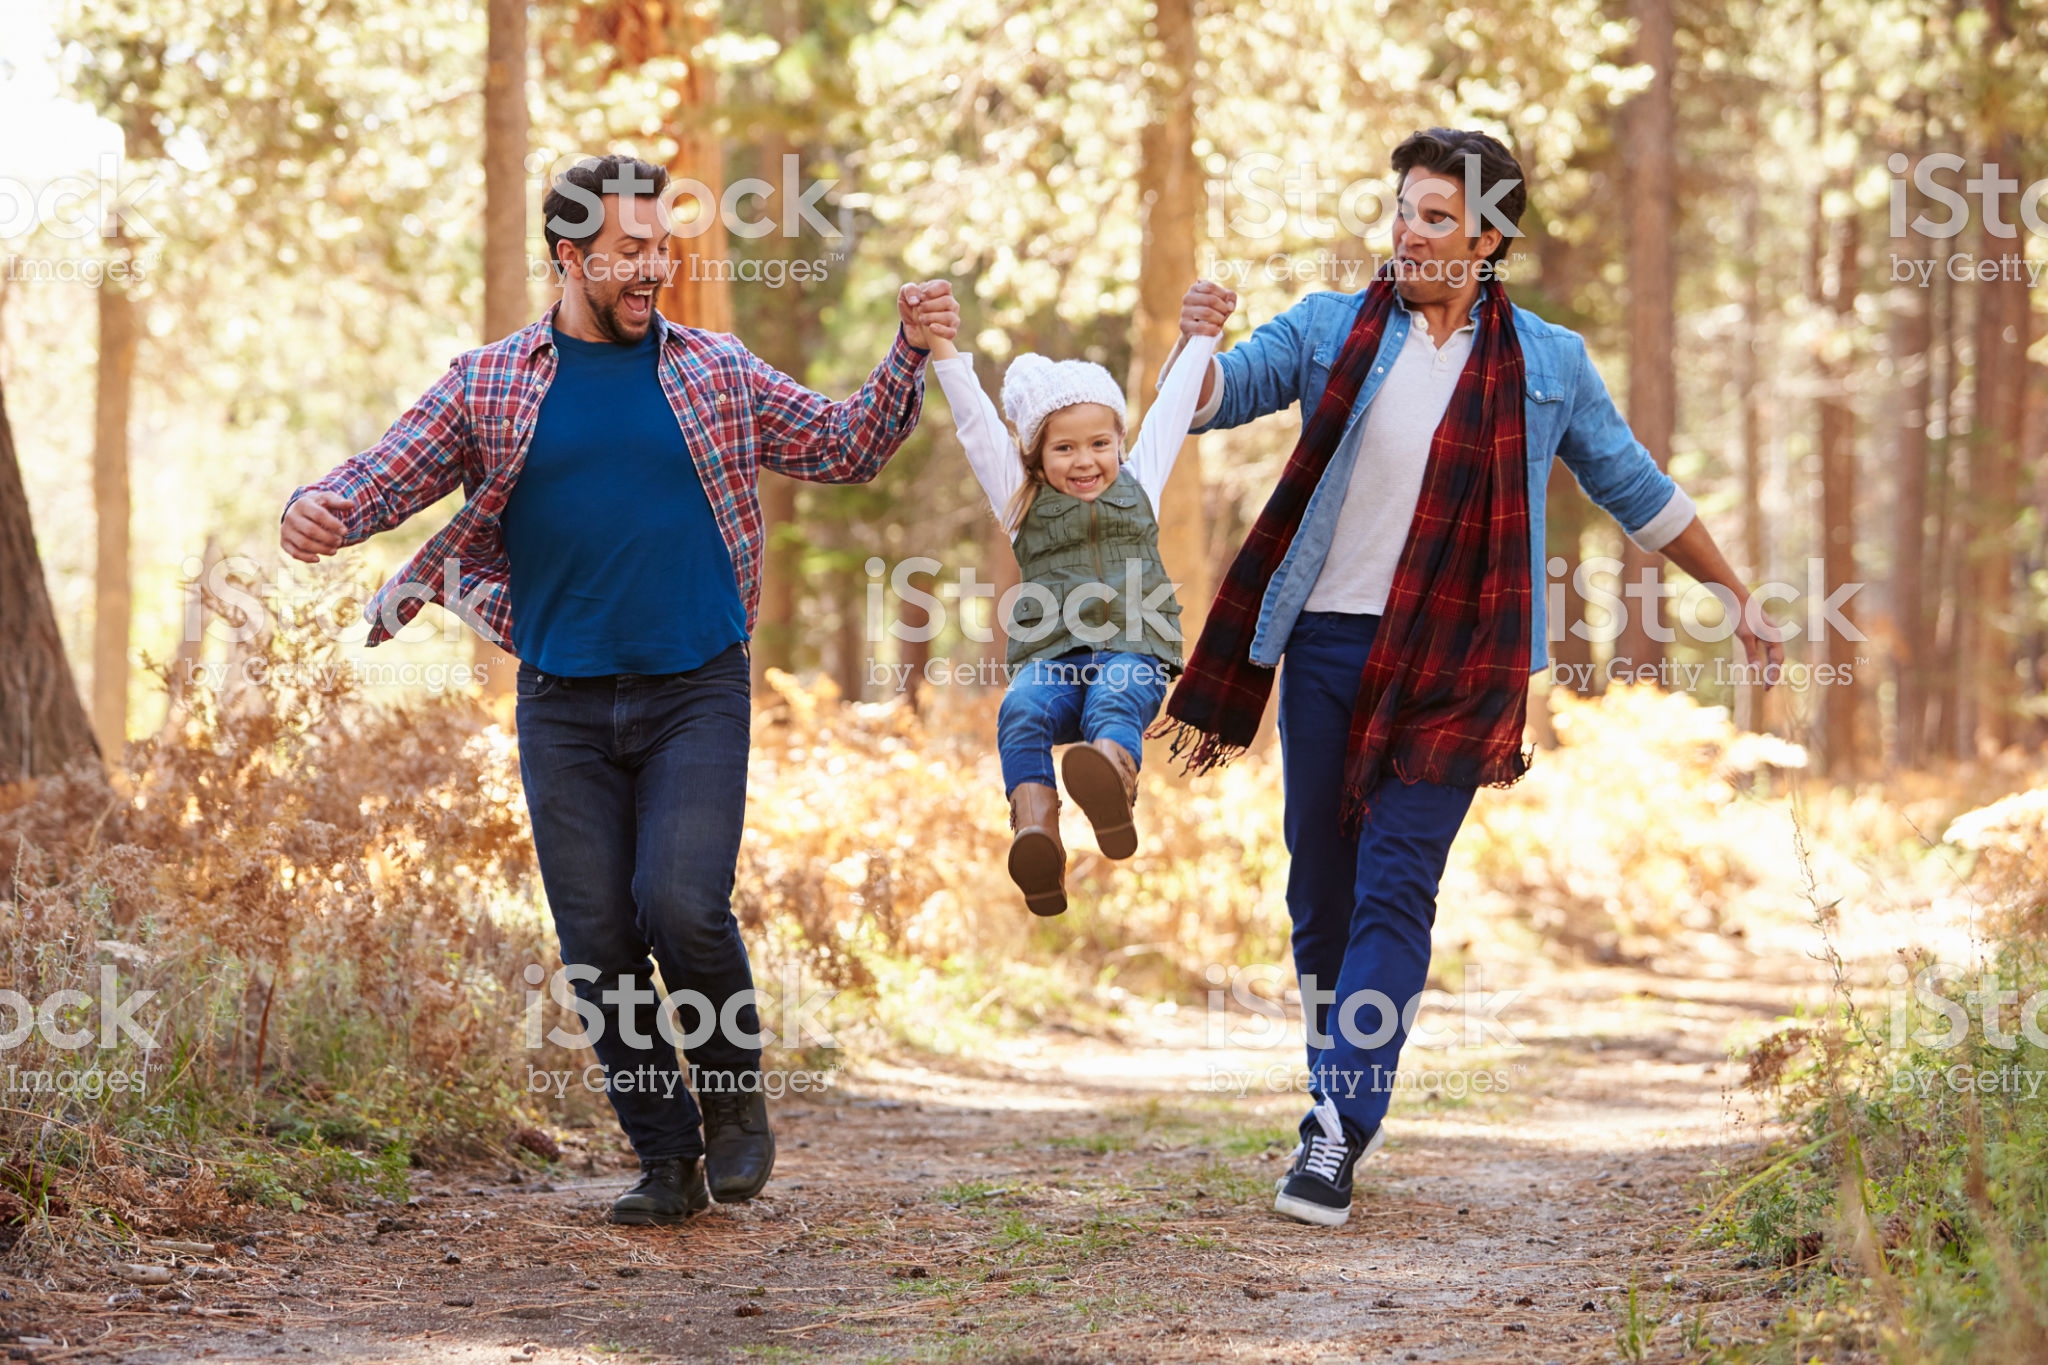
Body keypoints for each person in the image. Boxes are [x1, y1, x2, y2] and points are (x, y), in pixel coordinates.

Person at [280, 153, 958, 1225]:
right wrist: (318, 507)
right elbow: (388, 470)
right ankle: (663, 1158)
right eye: (631, 250)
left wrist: (906, 355)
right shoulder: (491, 382)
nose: (655, 266)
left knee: (681, 907)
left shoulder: (714, 369)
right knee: (597, 941)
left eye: (662, 245)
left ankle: (735, 1110)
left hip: (696, 685)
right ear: (571, 258)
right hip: (563, 702)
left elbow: (846, 446)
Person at [1155, 128, 1785, 1227]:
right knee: (1322, 890)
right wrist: (1191, 350)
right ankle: (1329, 1094)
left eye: (1436, 216)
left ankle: (1335, 1131)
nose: (1409, 231)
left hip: (1464, 657)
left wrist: (1736, 597)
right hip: (1327, 646)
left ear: (1488, 239)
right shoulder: (1325, 329)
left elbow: (1635, 487)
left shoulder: (1546, 362)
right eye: (1402, 209)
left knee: (1397, 885)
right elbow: (1215, 397)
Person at [917, 289, 1235, 914]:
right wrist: (941, 344)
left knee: (1118, 688)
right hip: (1051, 659)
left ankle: (1111, 775)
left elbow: (1172, 409)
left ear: (1119, 440)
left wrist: (1202, 335)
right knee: (1022, 709)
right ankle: (1037, 833)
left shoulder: (1140, 478)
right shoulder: (1020, 502)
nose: (1085, 460)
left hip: (1133, 647)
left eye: (1099, 444)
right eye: (1064, 449)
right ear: (1035, 456)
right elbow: (977, 424)